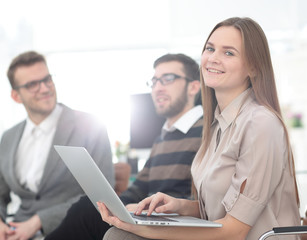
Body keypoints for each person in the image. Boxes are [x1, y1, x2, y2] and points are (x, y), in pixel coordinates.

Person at [98, 17, 301, 240]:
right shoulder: (217, 125)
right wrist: (181, 206)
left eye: (228, 53)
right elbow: (221, 210)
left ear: (253, 67)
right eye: (210, 49)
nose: (213, 59)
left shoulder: (260, 124)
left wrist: (145, 229)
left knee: (120, 236)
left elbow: (235, 230)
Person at [44, 53, 203, 240]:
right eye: (154, 81)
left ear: (193, 87)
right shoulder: (164, 136)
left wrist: (146, 209)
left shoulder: (206, 132)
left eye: (167, 79)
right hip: (149, 217)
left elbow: (203, 202)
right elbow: (139, 188)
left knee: (85, 212)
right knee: (88, 206)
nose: (158, 88)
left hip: (171, 223)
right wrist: (117, 205)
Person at [0, 51, 115, 240]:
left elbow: (102, 196)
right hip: (16, 231)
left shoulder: (91, 126)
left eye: (47, 79)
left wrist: (39, 221)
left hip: (71, 229)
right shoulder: (8, 138)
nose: (45, 89)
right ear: (16, 96)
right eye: (32, 85)